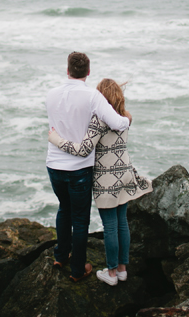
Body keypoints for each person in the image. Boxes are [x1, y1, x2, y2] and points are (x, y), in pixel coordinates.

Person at [48, 78, 152, 286]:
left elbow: (83, 150)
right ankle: (122, 269)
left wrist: (56, 139)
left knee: (110, 226)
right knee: (122, 222)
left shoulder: (99, 121)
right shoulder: (125, 117)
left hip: (107, 179)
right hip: (126, 174)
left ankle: (111, 273)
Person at [45, 52, 132, 282]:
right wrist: (127, 120)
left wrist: (55, 140)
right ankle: (77, 270)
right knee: (80, 219)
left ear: (67, 70)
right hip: (79, 169)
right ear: (88, 72)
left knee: (64, 208)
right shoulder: (93, 96)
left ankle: (60, 256)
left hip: (54, 165)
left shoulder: (50, 94)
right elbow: (117, 122)